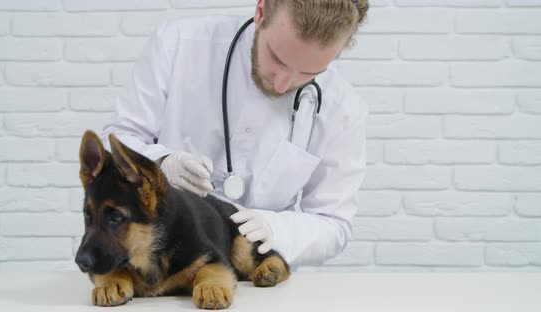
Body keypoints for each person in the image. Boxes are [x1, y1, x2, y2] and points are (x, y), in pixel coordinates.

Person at [101, 0, 370, 267]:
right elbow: (117, 139)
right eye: (276, 58)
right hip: (161, 267)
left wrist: (276, 228)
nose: (282, 83)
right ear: (261, 12)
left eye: (310, 73)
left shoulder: (344, 109)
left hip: (262, 274)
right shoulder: (179, 43)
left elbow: (335, 224)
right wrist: (159, 165)